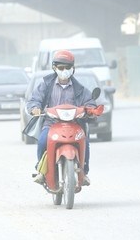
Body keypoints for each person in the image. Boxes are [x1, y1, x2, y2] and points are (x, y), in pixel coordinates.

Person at [26, 49, 97, 186]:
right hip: (51, 124)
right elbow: (34, 99)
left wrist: (90, 109)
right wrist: (35, 108)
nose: (64, 70)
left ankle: (84, 172)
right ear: (54, 68)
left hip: (74, 125)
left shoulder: (79, 88)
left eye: (68, 67)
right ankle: (42, 171)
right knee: (42, 141)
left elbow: (89, 101)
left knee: (85, 143)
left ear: (73, 68)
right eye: (61, 67)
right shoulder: (46, 85)